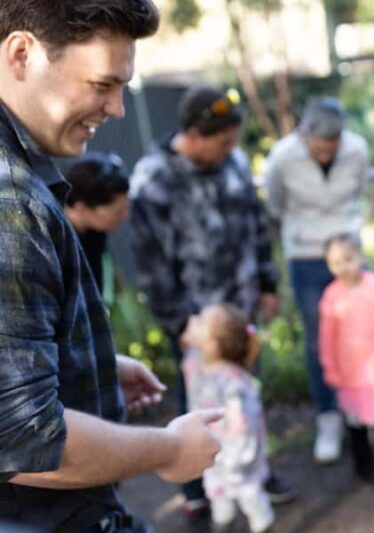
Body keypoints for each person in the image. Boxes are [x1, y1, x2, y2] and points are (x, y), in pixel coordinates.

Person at [0, 2, 224, 531]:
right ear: (22, 55)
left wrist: (89, 366)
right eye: (102, 84)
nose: (117, 109)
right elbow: (23, 438)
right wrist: (167, 450)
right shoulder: (10, 200)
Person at [129, 84, 292, 518]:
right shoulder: (153, 178)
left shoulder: (234, 161)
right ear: (195, 136)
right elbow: (151, 263)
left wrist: (268, 283)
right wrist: (177, 323)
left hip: (241, 312)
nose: (231, 150)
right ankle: (198, 484)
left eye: (232, 141)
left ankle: (254, 469)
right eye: (222, 142)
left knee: (246, 398)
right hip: (196, 326)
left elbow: (257, 224)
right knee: (198, 402)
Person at [261, 97, 369, 464]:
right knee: (318, 340)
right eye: (319, 148)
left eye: (331, 148)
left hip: (348, 249)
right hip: (305, 255)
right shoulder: (282, 157)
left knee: (358, 330)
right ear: (304, 134)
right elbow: (275, 204)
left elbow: (358, 193)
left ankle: (362, 405)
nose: (325, 154)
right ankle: (328, 416)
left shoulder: (357, 150)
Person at [181, 304, 277, 533]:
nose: (193, 318)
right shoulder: (196, 361)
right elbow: (187, 347)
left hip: (239, 461)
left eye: (201, 320)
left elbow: (244, 429)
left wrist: (236, 463)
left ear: (213, 344)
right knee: (220, 504)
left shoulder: (234, 384)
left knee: (253, 502)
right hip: (212, 458)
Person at [319, 234, 374, 482]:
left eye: (349, 259)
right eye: (335, 262)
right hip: (350, 375)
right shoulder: (331, 297)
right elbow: (326, 338)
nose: (343, 267)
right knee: (356, 423)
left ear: (361, 256)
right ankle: (364, 465)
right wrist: (331, 368)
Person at [64, 152, 130, 292]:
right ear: (80, 208)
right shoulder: (58, 247)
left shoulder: (95, 233)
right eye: (117, 212)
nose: (126, 215)